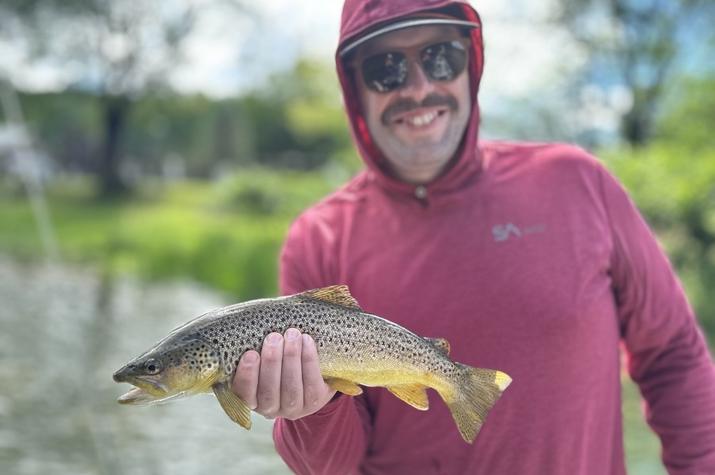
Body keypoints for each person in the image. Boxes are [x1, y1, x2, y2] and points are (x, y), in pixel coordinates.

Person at [232, 0, 715, 473]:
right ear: (354, 87)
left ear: (471, 63)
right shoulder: (318, 238)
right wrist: (311, 410)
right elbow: (335, 467)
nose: (419, 87)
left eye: (441, 57)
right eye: (386, 68)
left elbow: (672, 353)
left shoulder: (578, 181)